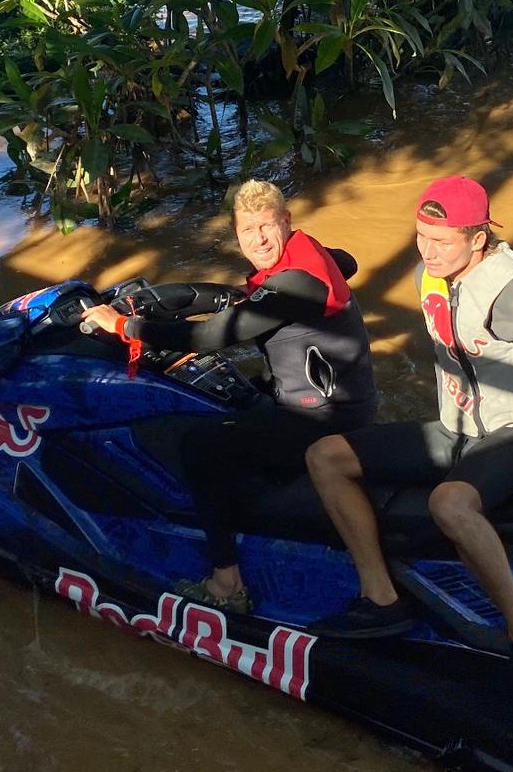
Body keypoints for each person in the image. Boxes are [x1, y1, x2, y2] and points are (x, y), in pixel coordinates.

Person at [305, 175, 513, 714]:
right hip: (452, 429)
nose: (427, 252)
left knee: (449, 502)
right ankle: (381, 597)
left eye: (442, 241)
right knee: (326, 457)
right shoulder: (429, 275)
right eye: (420, 237)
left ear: (478, 238)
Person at [82, 178, 377, 614]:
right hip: (328, 396)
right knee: (237, 398)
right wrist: (232, 299)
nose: (258, 239)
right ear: (235, 232)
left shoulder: (296, 284)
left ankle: (226, 582)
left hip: (323, 418)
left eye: (267, 226)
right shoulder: (309, 257)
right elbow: (344, 262)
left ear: (286, 221)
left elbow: (206, 337)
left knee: (200, 446)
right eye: (247, 230)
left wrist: (125, 326)